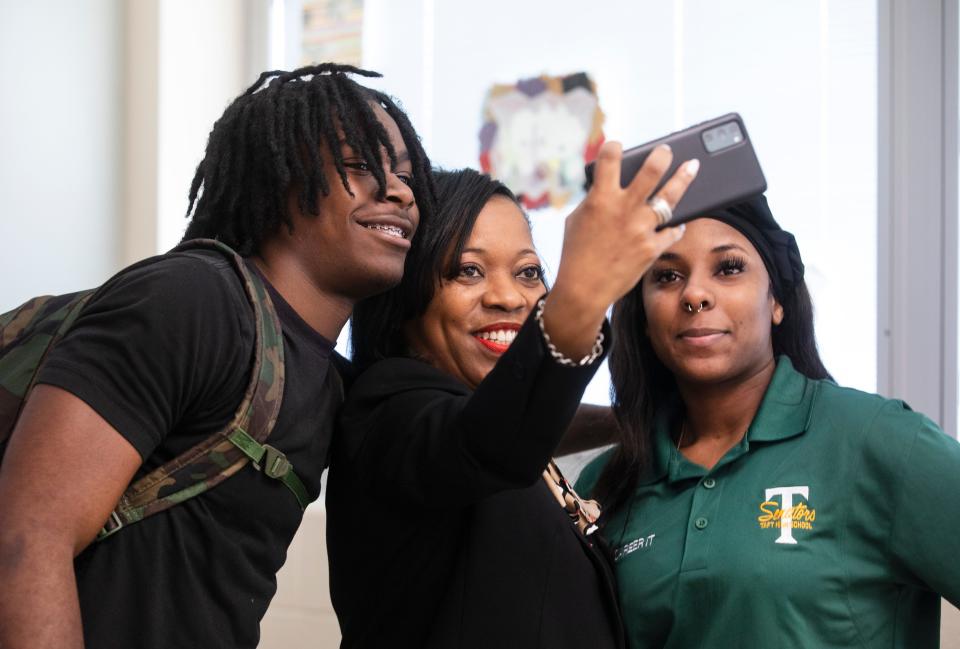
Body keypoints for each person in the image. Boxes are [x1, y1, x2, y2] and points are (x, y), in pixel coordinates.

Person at [0, 63, 433, 649]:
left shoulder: (326, 381)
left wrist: (596, 414)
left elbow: (467, 437)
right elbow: (26, 536)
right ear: (280, 177)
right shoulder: (194, 301)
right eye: (361, 164)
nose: (400, 191)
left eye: (407, 174)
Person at [326, 142, 700, 648]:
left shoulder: (494, 420)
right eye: (468, 270)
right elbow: (482, 439)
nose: (509, 296)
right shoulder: (388, 407)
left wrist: (628, 420)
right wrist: (583, 292)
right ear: (407, 294)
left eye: (528, 272)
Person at [575, 195, 960, 649]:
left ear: (776, 300)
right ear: (642, 317)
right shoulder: (607, 484)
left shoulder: (877, 441)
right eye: (666, 275)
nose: (695, 294)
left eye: (729, 268)